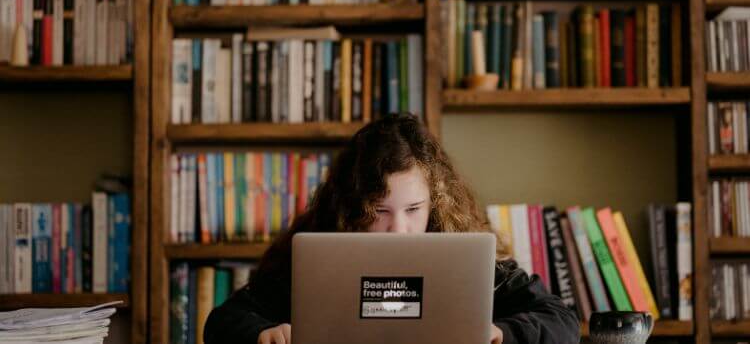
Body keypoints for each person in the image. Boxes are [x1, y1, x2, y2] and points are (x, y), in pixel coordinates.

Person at [204, 113, 580, 344]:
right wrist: (260, 334)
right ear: (352, 206)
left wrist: (503, 334)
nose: (399, 228)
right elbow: (222, 323)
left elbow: (559, 319)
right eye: (379, 210)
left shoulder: (459, 251)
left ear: (436, 203)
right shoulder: (317, 255)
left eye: (413, 209)